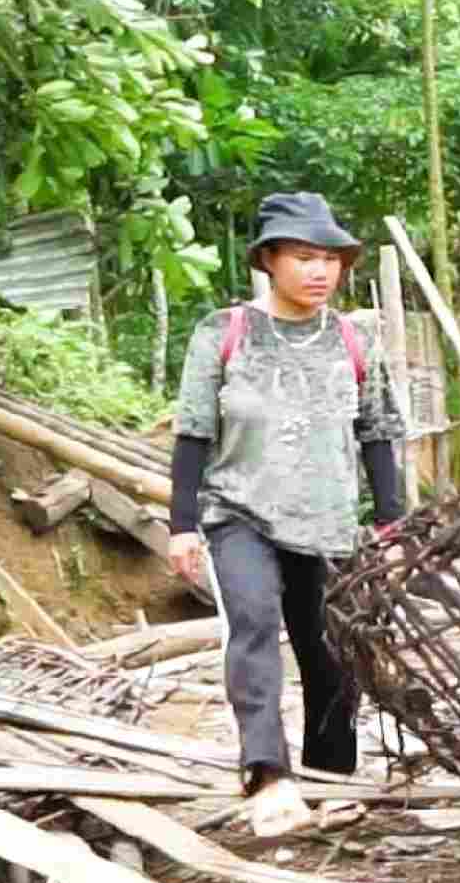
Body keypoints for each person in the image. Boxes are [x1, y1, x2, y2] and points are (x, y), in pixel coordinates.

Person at [167, 192, 405, 838]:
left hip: (328, 522)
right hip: (238, 511)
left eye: (329, 258)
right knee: (252, 622)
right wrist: (182, 524)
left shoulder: (355, 340)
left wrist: (392, 525)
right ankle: (267, 774)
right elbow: (192, 433)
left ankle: (328, 780)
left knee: (333, 658)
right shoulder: (224, 333)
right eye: (303, 256)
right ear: (269, 259)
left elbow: (379, 432)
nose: (319, 271)